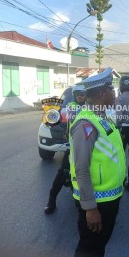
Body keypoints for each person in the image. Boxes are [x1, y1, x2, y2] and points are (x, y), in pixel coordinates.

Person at [70, 67, 126, 257]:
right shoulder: (86, 123)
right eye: (111, 90)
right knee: (88, 251)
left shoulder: (101, 117)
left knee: (98, 247)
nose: (115, 94)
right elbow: (81, 169)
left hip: (109, 198)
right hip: (97, 202)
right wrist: (90, 208)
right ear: (102, 94)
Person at [44, 84, 86, 214]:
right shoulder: (72, 107)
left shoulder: (91, 107)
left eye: (82, 94)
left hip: (88, 147)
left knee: (84, 174)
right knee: (63, 173)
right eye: (77, 94)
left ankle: (81, 200)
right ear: (74, 96)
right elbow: (75, 117)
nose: (80, 96)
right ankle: (51, 201)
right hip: (73, 148)